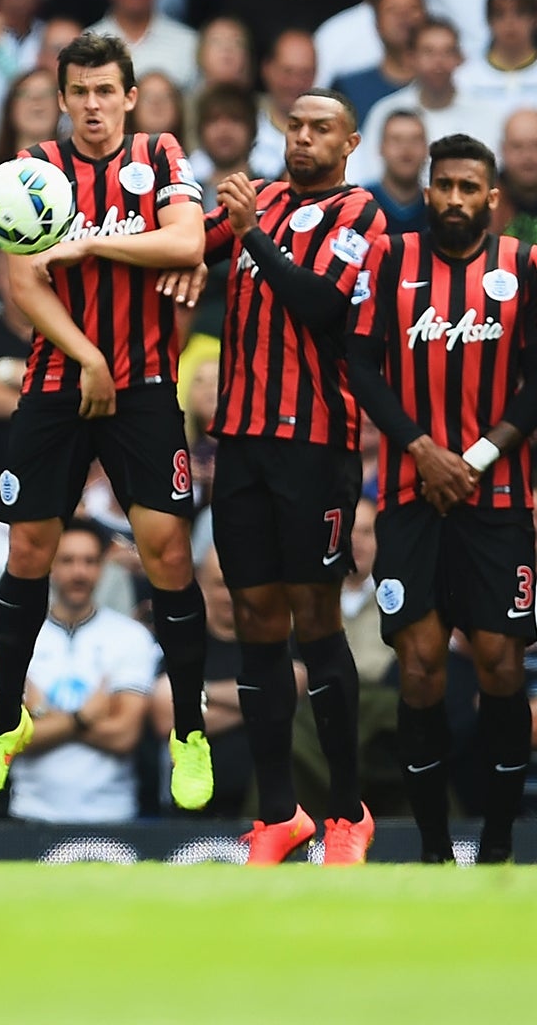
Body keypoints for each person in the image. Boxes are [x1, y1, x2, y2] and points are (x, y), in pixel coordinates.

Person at [0, 31, 214, 814]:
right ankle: (4, 721)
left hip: (145, 388)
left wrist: (95, 244)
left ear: (129, 96)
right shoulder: (33, 169)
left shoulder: (161, 153)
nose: (95, 105)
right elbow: (26, 281)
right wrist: (88, 359)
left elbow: (189, 239)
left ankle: (189, 731)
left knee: (168, 551)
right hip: (58, 378)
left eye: (108, 90)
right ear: (63, 99)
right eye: (82, 92)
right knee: (30, 548)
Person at [199, 92, 385, 864]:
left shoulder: (362, 216)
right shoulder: (261, 196)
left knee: (315, 614)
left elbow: (319, 306)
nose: (301, 140)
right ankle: (281, 814)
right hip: (239, 441)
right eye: (294, 127)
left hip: (315, 444)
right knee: (255, 620)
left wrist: (249, 233)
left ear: (351, 142)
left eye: (320, 131)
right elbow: (188, 248)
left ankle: (347, 813)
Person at [347, 133, 537, 866]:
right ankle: (431, 850)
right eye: (444, 185)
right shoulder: (389, 259)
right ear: (427, 190)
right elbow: (362, 366)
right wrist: (423, 451)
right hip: (408, 493)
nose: (455, 198)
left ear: (492, 196)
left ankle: (494, 846)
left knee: (499, 662)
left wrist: (478, 455)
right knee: (421, 665)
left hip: (497, 498)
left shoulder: (522, 266)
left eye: (469, 187)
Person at [5, 522, 161, 823]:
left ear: (102, 568)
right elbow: (7, 739)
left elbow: (124, 735)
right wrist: (85, 716)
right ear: (49, 565)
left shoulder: (130, 637)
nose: (79, 572)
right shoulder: (16, 637)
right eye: (68, 560)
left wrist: (41, 714)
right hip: (29, 814)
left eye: (89, 561)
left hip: (114, 814)